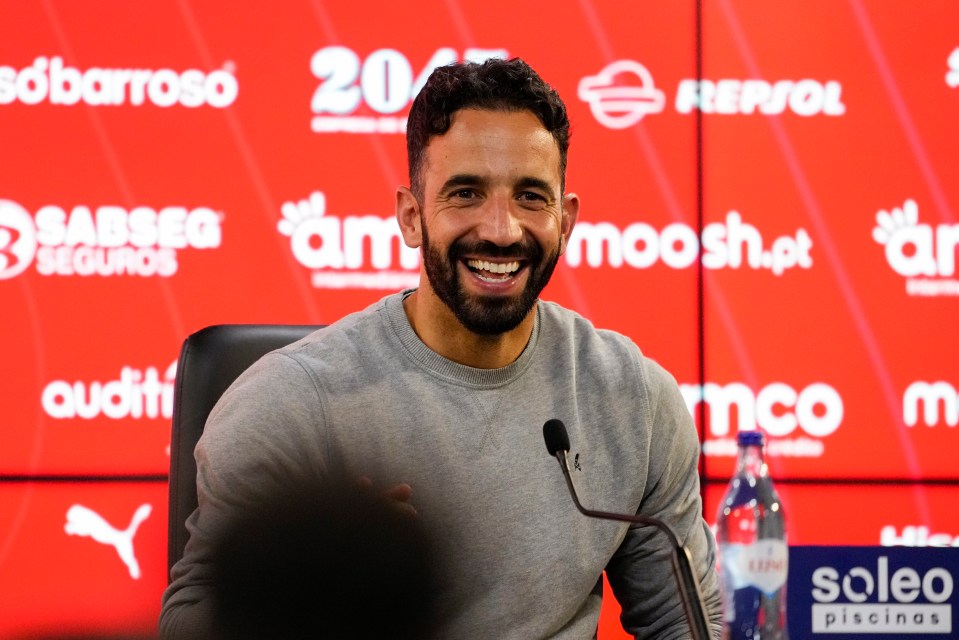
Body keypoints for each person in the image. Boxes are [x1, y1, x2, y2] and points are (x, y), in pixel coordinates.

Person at [160, 57, 722, 639]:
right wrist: (313, 599)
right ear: (410, 216)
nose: (501, 229)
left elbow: (683, 626)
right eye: (465, 193)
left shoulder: (636, 399)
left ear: (567, 218)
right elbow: (187, 622)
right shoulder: (292, 403)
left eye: (531, 196)